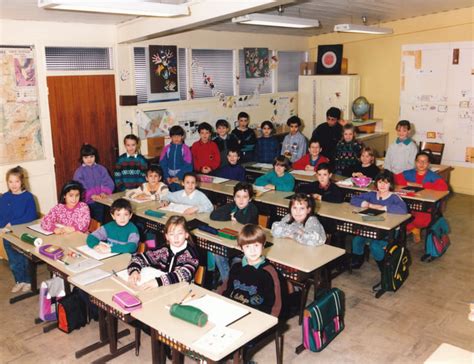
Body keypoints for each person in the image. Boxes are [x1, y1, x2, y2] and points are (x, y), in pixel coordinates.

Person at [350, 171, 408, 288]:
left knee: (375, 246)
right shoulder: (372, 194)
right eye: (380, 182)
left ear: (391, 184)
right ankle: (357, 261)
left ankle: (385, 271)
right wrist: (366, 203)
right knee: (357, 240)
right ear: (376, 183)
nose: (382, 185)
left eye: (386, 183)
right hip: (371, 228)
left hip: (389, 232)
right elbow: (353, 199)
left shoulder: (394, 197)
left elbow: (403, 210)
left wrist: (384, 207)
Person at [218, 224, 287, 318]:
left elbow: (275, 304)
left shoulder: (269, 272)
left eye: (256, 245)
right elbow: (225, 289)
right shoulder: (236, 267)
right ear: (241, 248)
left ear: (263, 245)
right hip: (234, 312)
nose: (252, 250)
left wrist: (269, 322)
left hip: (256, 317)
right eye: (247, 246)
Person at [128, 215, 200, 288]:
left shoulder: (191, 255)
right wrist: (134, 271)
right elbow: (139, 258)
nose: (176, 237)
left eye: (180, 233)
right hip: (163, 289)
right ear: (167, 237)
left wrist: (158, 282)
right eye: (172, 234)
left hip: (181, 290)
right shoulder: (163, 250)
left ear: (186, 235)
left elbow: (184, 274)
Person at [210, 182, 259, 284]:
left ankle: (228, 282)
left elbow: (245, 220)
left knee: (237, 263)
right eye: (238, 196)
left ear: (250, 199)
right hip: (231, 242)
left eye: (245, 197)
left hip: (246, 246)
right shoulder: (233, 205)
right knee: (217, 252)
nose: (241, 200)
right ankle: (228, 282)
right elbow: (214, 215)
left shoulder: (253, 209)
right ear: (234, 198)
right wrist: (229, 216)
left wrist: (234, 215)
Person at [394, 151, 448, 243]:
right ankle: (413, 229)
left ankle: (413, 228)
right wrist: (409, 183)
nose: (421, 164)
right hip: (410, 203)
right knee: (398, 216)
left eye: (424, 162)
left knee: (421, 221)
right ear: (415, 162)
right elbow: (396, 177)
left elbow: (444, 187)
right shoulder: (410, 173)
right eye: (419, 161)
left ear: (428, 164)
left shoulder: (432, 175)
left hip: (425, 205)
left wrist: (422, 185)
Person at [1, 166, 37, 293]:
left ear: (22, 181)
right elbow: (1, 215)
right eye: (10, 181)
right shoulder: (5, 197)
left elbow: (31, 216)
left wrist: (12, 223)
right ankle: (19, 281)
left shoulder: (28, 197)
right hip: (8, 235)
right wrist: (2, 227)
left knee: (25, 260)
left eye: (16, 181)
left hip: (23, 234)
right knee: (13, 262)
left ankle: (28, 281)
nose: (13, 184)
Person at [73, 143, 114, 222]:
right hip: (86, 203)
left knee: (99, 221)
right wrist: (91, 195)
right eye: (86, 157)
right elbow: (79, 187)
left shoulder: (101, 169)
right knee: (86, 222)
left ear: (95, 156)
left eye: (91, 156)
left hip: (100, 201)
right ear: (82, 158)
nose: (89, 159)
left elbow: (108, 182)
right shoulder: (79, 172)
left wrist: (104, 192)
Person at [159, 125, 193, 192]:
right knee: (169, 195)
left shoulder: (186, 149)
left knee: (180, 195)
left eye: (179, 136)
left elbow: (188, 165)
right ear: (170, 137)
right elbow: (163, 163)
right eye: (174, 136)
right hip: (169, 179)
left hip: (181, 178)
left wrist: (178, 176)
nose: (176, 138)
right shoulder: (166, 148)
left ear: (182, 136)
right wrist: (166, 176)